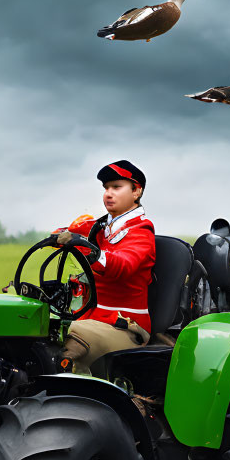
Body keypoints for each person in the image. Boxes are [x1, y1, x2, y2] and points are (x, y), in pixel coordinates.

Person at [53, 160, 156, 375]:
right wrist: (61, 236)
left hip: (127, 326)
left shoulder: (141, 231)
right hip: (93, 319)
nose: (108, 194)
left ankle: (77, 401)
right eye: (106, 188)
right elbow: (74, 231)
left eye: (117, 187)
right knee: (43, 331)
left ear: (136, 191)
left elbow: (123, 265)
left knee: (68, 344)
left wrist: (89, 250)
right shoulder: (101, 227)